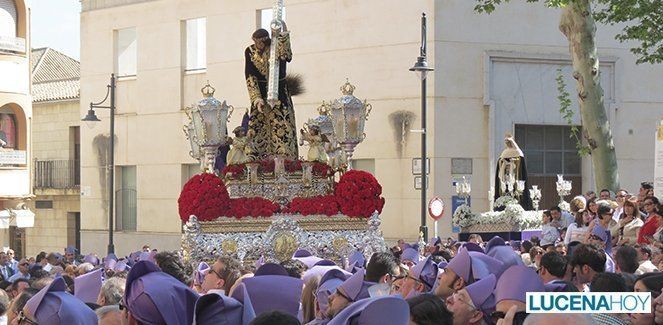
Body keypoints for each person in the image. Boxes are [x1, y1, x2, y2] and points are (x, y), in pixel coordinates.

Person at [245, 25, 298, 160]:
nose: (257, 46)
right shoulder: (249, 51)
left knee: (283, 128)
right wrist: (256, 98)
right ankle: (257, 164)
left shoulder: (276, 46)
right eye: (255, 42)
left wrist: (284, 33)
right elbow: (250, 76)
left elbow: (287, 55)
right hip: (261, 95)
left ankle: (286, 164)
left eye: (259, 43)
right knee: (258, 130)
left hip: (280, 93)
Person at [494, 135, 532, 210]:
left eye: (509, 141)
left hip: (515, 174)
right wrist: (504, 163)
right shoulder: (504, 152)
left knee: (515, 188)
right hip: (505, 175)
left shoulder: (517, 151)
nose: (507, 143)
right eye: (506, 142)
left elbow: (520, 163)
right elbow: (500, 162)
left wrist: (512, 162)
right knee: (505, 186)